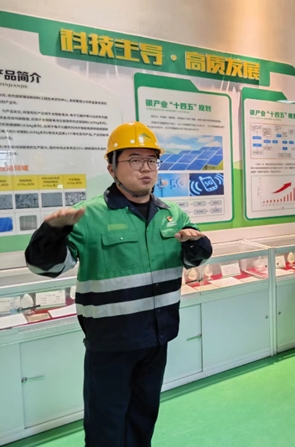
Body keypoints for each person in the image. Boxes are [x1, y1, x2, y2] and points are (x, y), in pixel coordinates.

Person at [24, 122, 213, 446]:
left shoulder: (172, 214)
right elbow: (48, 267)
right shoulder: (89, 215)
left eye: (152, 160)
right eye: (135, 160)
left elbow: (194, 258)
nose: (146, 168)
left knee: (143, 417)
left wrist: (196, 245)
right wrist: (52, 233)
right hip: (111, 343)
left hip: (157, 337)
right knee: (106, 424)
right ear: (111, 167)